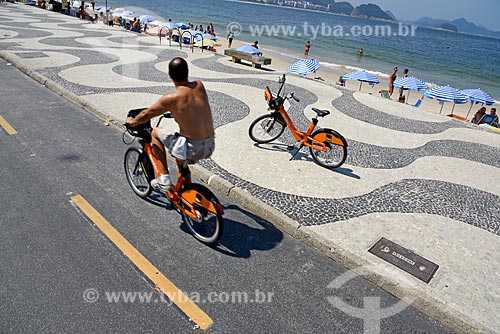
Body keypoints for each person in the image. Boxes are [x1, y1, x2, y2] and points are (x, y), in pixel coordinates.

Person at [125, 57, 215, 191]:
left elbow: (146, 114)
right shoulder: (199, 86)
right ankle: (186, 188)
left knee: (155, 133)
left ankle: (164, 179)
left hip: (192, 149)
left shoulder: (171, 98)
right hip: (209, 145)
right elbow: (193, 105)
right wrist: (178, 113)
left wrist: (133, 121)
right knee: (180, 147)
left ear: (169, 75)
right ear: (188, 71)